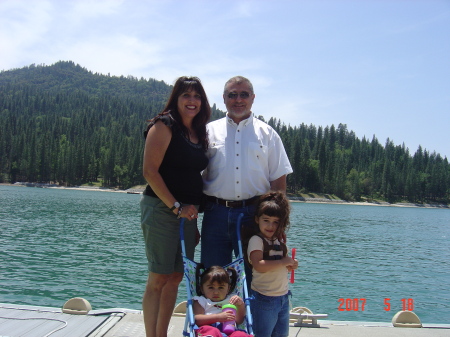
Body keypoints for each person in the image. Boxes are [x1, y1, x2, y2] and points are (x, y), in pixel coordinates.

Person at [201, 75, 293, 287]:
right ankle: (217, 320)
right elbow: (195, 176)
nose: (238, 99)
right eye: (232, 95)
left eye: (244, 94)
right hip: (215, 215)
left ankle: (251, 320)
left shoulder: (268, 134)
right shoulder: (208, 132)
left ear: (253, 98)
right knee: (214, 279)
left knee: (255, 279)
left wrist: (279, 225)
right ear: (224, 98)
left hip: (255, 216)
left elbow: (278, 183)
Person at [140, 76, 211, 337]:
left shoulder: (199, 132)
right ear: (176, 99)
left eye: (197, 96)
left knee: (176, 277)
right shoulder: (164, 124)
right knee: (159, 276)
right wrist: (176, 206)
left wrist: (189, 214)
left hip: (188, 213)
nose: (192, 101)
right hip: (162, 209)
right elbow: (150, 171)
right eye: (186, 95)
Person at [247, 191, 298, 337]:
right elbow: (258, 265)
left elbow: (283, 267)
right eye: (266, 220)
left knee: (281, 334)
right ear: (257, 220)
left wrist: (291, 264)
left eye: (275, 222)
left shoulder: (279, 242)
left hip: (282, 297)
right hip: (264, 298)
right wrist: (283, 262)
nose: (271, 226)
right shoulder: (257, 240)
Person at [193, 265, 253, 337]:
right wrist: (218, 317)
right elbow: (197, 320)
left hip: (230, 329)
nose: (216, 292)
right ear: (202, 289)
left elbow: (239, 321)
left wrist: (240, 305)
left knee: (240, 334)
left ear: (228, 289)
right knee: (210, 330)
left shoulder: (232, 299)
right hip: (210, 328)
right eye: (211, 287)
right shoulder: (201, 301)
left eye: (221, 287)